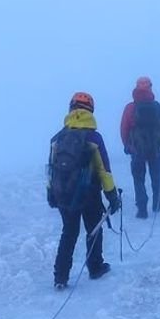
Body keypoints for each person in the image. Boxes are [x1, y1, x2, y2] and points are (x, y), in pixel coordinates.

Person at [47, 92, 121, 290]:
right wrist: (112, 195)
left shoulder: (58, 138)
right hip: (89, 194)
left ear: (71, 108)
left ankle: (60, 277)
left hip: (64, 194)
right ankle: (95, 267)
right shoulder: (94, 137)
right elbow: (103, 169)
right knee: (93, 229)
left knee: (69, 233)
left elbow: (51, 168)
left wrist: (51, 193)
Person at [119, 76, 160, 218]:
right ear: (150, 88)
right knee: (156, 177)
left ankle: (142, 208)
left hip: (137, 150)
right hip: (155, 149)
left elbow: (124, 129)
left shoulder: (130, 108)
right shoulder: (158, 107)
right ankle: (157, 203)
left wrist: (127, 145)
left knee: (139, 179)